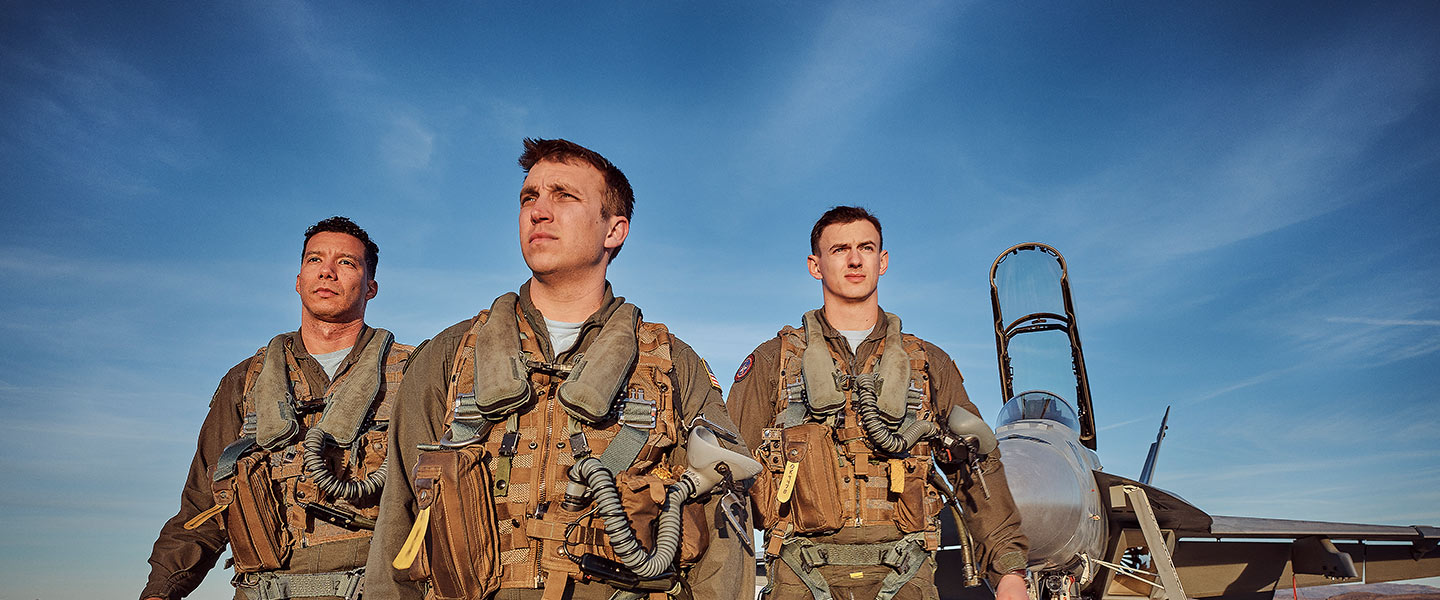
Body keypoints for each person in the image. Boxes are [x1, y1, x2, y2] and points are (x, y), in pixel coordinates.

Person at [366, 138, 753, 600]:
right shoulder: (449, 355)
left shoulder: (673, 364)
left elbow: (727, 514)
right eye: (529, 197)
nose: (538, 211)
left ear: (614, 231)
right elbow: (399, 516)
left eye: (564, 196)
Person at [727, 206, 1030, 600]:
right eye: (839, 250)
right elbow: (728, 471)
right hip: (799, 573)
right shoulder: (772, 361)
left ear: (881, 261)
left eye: (866, 248)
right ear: (814, 266)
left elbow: (977, 465)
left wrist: (1009, 572)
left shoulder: (928, 362)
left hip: (906, 572)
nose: (854, 260)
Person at [141, 217, 415, 600]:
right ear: (299, 280)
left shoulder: (416, 372)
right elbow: (202, 508)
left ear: (370, 287)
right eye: (314, 260)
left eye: (347, 263)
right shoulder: (245, 381)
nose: (328, 272)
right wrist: (160, 591)